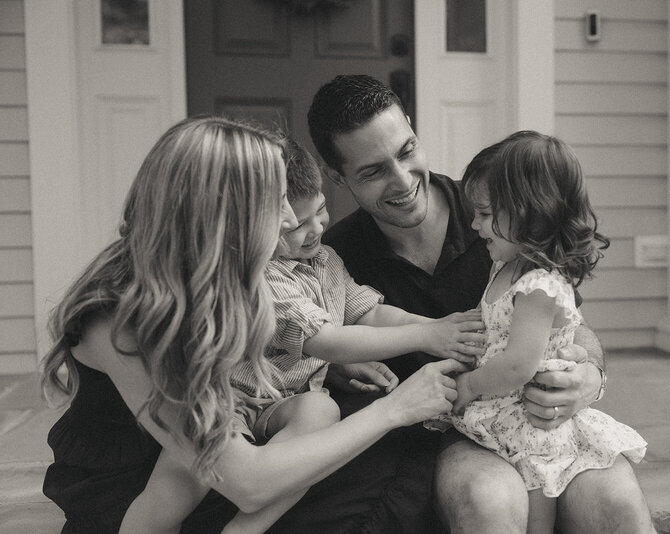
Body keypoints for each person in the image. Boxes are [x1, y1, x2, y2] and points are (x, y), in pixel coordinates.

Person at [40, 116, 467, 534]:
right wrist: (395, 409)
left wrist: (337, 367)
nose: (289, 220)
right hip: (136, 489)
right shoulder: (120, 319)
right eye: (276, 203)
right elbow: (248, 485)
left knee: (384, 454)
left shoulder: (209, 274)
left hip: (219, 453)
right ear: (221, 215)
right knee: (371, 475)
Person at [301, 74, 657, 533]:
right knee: (489, 499)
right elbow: (304, 347)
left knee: (616, 500)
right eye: (373, 171)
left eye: (407, 151)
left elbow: (570, 322)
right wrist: (334, 365)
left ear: (412, 127)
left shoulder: (502, 213)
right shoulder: (332, 257)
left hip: (538, 421)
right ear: (337, 176)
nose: (402, 180)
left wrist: (590, 375)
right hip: (448, 433)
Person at [425, 130, 648, 534]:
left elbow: (517, 366)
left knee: (536, 508)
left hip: (530, 420)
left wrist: (469, 385)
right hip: (508, 411)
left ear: (529, 214)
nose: (474, 224)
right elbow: (501, 325)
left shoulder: (539, 287)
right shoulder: (507, 264)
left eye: (485, 214)